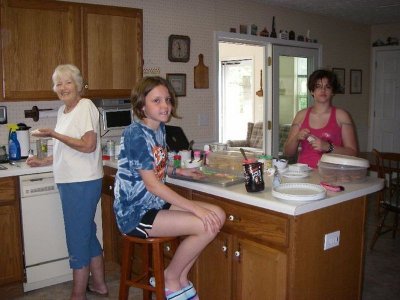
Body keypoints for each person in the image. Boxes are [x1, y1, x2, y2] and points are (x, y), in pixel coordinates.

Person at [113, 76, 225, 300]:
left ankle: (180, 279)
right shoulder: (135, 134)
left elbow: (155, 168)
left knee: (218, 215)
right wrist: (194, 207)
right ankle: (170, 278)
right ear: (142, 105)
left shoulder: (159, 129)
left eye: (167, 99)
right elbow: (152, 184)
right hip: (135, 212)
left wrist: (178, 171)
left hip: (154, 204)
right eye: (156, 101)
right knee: (204, 223)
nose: (165, 106)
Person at [26, 64, 108, 300]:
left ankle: (77, 294)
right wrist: (45, 161)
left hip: (81, 182)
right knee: (86, 233)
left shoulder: (85, 106)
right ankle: (100, 285)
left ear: (78, 84)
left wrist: (52, 134)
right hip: (70, 181)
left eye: (68, 82)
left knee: (76, 236)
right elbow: (69, 149)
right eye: (58, 83)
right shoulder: (64, 111)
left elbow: (88, 145)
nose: (63, 87)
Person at [283, 69, 358, 168]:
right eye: (318, 86)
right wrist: (296, 138)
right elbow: (288, 152)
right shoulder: (301, 115)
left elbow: (353, 153)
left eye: (327, 87)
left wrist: (328, 147)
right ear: (312, 91)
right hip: (304, 174)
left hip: (331, 174)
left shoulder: (342, 116)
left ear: (332, 92)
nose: (323, 90)